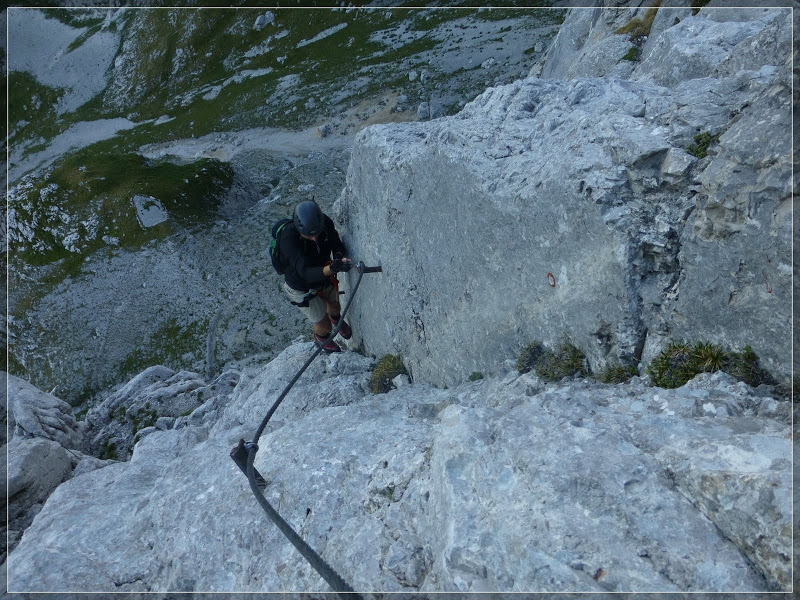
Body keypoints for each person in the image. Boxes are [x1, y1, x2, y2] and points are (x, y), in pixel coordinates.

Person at [279, 200, 354, 353]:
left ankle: (336, 318)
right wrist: (332, 268)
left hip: (324, 273)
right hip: (301, 286)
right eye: (308, 236)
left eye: (316, 234)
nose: (314, 238)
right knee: (323, 323)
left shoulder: (324, 223)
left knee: (334, 304)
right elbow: (305, 272)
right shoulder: (288, 238)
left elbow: (336, 244)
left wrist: (339, 258)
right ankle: (321, 337)